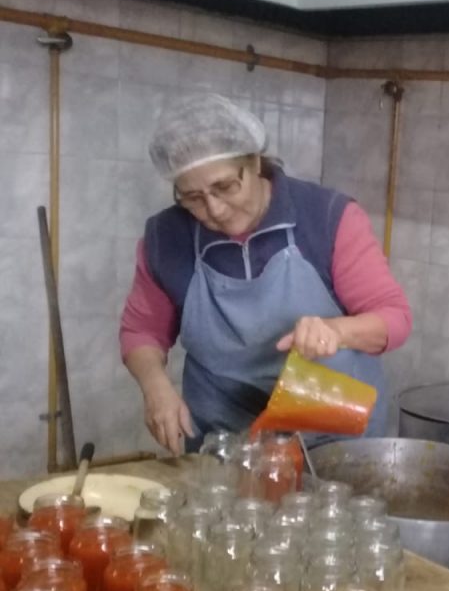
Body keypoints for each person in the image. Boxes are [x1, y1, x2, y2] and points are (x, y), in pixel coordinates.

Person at [120, 93, 411, 454]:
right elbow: (141, 330)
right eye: (193, 197)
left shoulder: (327, 218)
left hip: (330, 435)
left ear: (255, 162)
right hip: (225, 438)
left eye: (226, 186)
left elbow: (394, 317)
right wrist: (154, 386)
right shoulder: (167, 237)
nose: (215, 209)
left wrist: (338, 331)